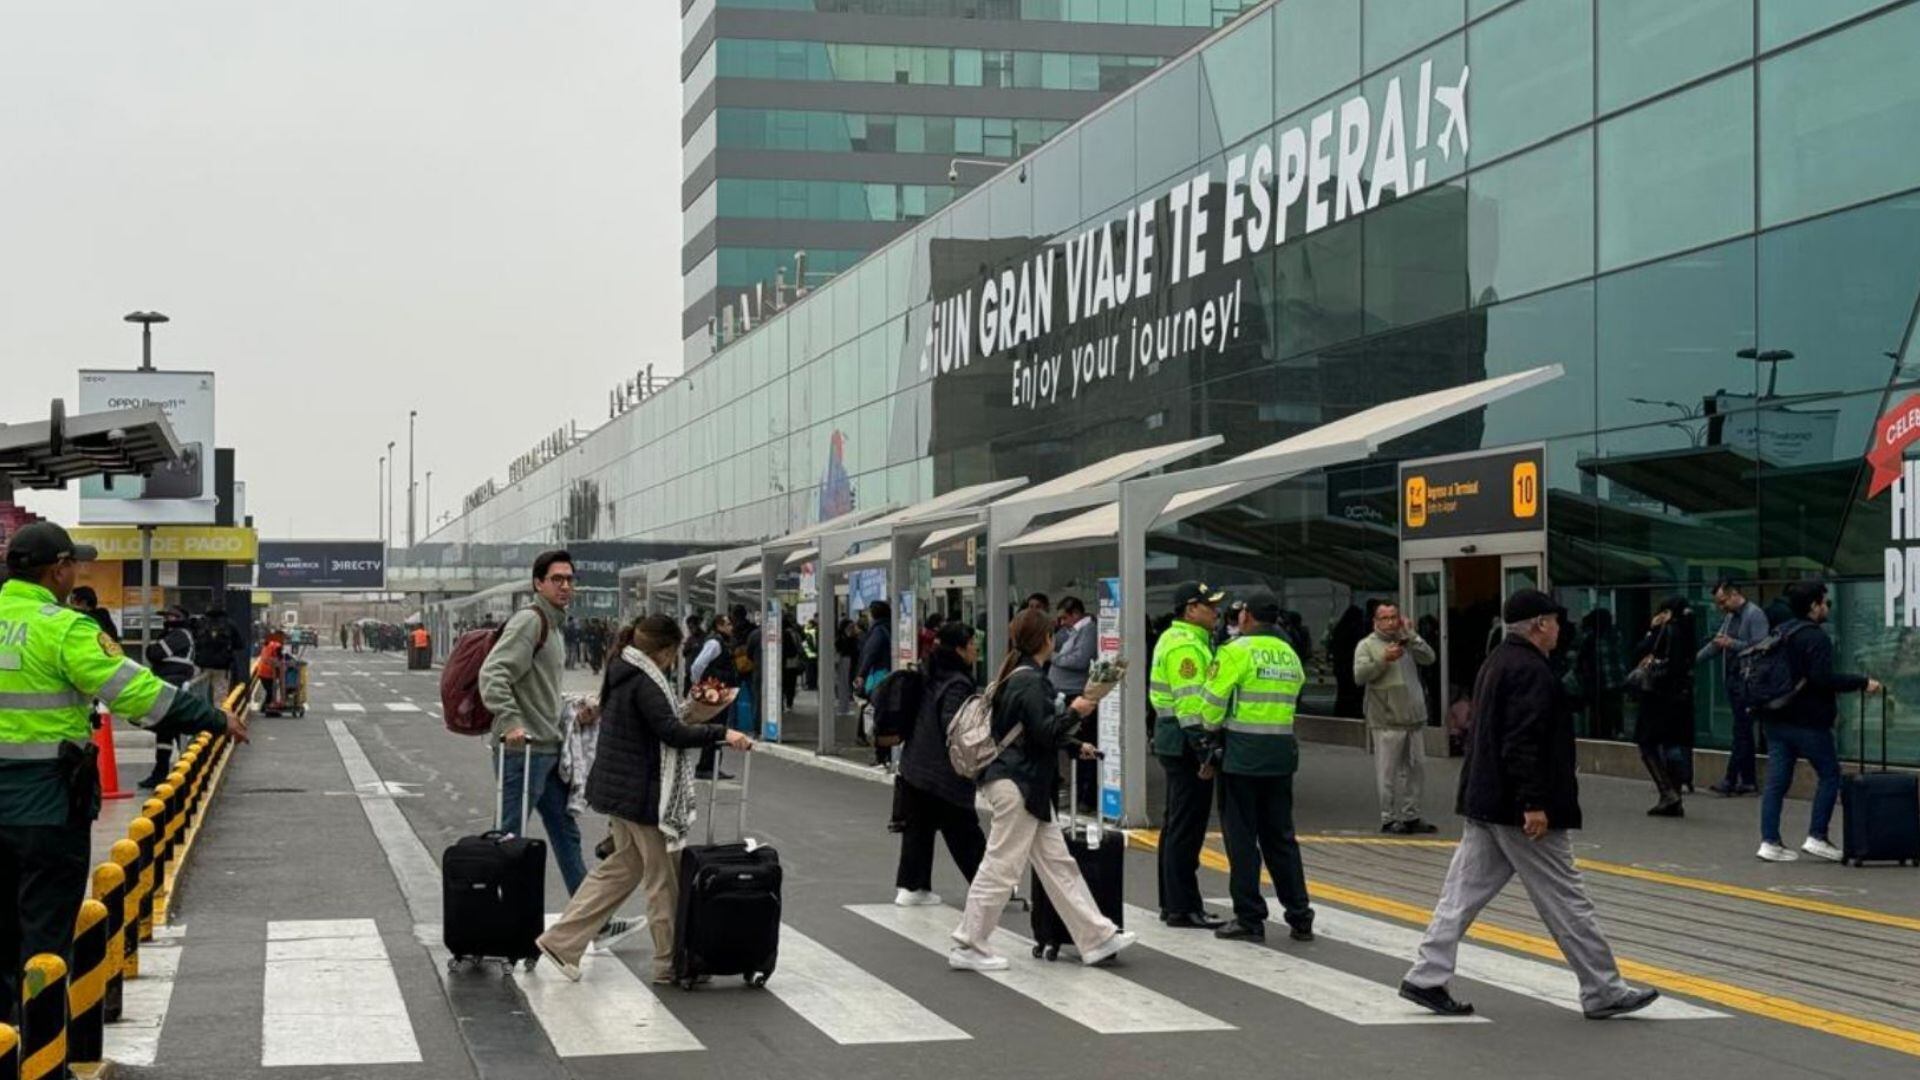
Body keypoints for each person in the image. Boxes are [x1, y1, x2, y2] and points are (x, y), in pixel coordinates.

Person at [1, 521, 242, 1014]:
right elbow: (138, 692)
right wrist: (212, 717)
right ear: (58, 570)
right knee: (44, 939)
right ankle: (42, 1056)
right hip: (46, 808)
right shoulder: (64, 627)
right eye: (73, 564)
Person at [1400, 589, 1659, 1020]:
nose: (1561, 628)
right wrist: (1534, 803)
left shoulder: (1500, 661)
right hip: (1518, 809)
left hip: (1486, 801)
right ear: (1540, 624)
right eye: (1556, 620)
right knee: (1566, 897)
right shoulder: (1530, 670)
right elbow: (1522, 742)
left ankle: (1426, 976)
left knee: (1460, 896)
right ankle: (1603, 989)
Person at [535, 614, 750, 983]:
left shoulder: (622, 668)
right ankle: (670, 964)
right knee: (662, 881)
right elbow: (670, 732)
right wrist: (721, 731)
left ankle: (561, 941)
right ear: (665, 650)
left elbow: (655, 724)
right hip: (645, 795)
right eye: (675, 653)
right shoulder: (646, 680)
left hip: (623, 791)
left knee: (621, 870)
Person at [948, 609, 1135, 971]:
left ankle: (1096, 937)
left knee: (1058, 864)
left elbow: (1033, 731)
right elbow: (1044, 730)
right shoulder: (1029, 681)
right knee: (1001, 866)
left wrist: (1072, 744)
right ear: (1046, 639)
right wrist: (1080, 708)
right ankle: (969, 944)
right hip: (1019, 784)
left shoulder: (1019, 676)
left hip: (1026, 784)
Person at [1199, 590, 1315, 942]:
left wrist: (1209, 731)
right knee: (1281, 837)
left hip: (1242, 758)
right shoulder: (1289, 655)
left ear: (1246, 616)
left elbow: (1211, 706)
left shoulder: (1235, 652)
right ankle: (1299, 915)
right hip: (1281, 756)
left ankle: (1250, 917)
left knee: (1242, 839)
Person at [478, 550, 587, 896]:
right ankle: (491, 916)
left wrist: (574, 709)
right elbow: (493, 673)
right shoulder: (531, 621)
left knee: (565, 832)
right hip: (522, 751)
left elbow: (539, 687)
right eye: (557, 579)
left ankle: (592, 920)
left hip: (548, 748)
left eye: (569, 579)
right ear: (538, 583)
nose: (565, 586)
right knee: (509, 837)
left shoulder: (554, 626)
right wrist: (511, 723)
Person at [1756, 581, 1880, 863]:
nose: (1828, 608)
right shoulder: (1815, 638)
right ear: (1814, 606)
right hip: (1808, 722)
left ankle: (1769, 841)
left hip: (1776, 718)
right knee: (1829, 775)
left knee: (1776, 783)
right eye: (1826, 602)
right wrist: (1862, 682)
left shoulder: (1782, 631)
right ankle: (1817, 836)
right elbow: (1821, 679)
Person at [1148, 581, 1228, 930]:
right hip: (1185, 744)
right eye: (1208, 606)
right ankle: (1184, 906)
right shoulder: (1187, 647)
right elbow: (1191, 705)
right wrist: (1206, 753)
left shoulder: (1180, 639)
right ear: (1190, 609)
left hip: (1172, 741)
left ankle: (1173, 902)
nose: (1215, 612)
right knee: (1186, 828)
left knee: (1175, 825)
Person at [893, 621, 988, 906]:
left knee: (919, 828)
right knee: (963, 828)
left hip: (915, 763)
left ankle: (912, 888)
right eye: (972, 644)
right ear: (959, 648)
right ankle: (990, 887)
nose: (976, 649)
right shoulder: (957, 682)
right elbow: (953, 725)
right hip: (941, 770)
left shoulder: (929, 671)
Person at [1354, 601, 1439, 834]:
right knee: (1388, 771)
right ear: (1375, 621)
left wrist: (1412, 636)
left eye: (1394, 617)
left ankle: (1412, 815)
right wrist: (1384, 659)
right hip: (1386, 719)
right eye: (1385, 618)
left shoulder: (1407, 642)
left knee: (1417, 768)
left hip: (1413, 717)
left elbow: (1429, 658)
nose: (1391, 622)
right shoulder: (1367, 645)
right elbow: (1360, 676)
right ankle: (1388, 817)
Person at [1696, 579, 1770, 796]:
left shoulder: (1754, 615)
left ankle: (1731, 779)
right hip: (1733, 679)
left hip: (1748, 682)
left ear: (1735, 594)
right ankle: (1746, 780)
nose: (1721, 607)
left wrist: (1732, 644)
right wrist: (1693, 659)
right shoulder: (1730, 617)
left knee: (1742, 730)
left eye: (1723, 601)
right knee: (1742, 731)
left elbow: (1761, 646)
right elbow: (1716, 644)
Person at [1630, 598, 1695, 817]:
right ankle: (1675, 797)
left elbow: (1640, 650)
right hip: (1681, 697)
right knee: (1672, 744)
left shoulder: (1664, 630)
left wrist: (1652, 629)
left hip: (1657, 694)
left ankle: (1667, 792)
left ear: (1666, 613)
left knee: (1646, 742)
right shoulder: (1689, 630)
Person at [142, 606, 200, 789]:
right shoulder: (173, 634)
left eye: (172, 616)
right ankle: (163, 771)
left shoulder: (179, 635)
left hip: (173, 686)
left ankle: (172, 771)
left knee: (171, 728)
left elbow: (154, 653)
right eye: (166, 616)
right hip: (167, 685)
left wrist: (154, 649)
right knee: (166, 730)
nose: (167, 619)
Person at [688, 613, 740, 780]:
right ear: (719, 625)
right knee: (715, 727)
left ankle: (712, 765)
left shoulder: (722, 642)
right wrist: (699, 683)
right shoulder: (714, 643)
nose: (731, 627)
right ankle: (706, 766)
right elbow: (698, 665)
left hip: (720, 690)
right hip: (714, 690)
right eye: (728, 624)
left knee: (718, 727)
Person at [856, 600, 893, 764]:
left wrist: (861, 675)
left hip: (880, 677)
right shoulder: (891, 627)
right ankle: (887, 752)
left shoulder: (877, 631)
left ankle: (881, 754)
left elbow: (870, 654)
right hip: (892, 675)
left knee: (877, 715)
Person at [1329, 604, 1369, 719]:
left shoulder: (1340, 630)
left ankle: (1341, 714)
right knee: (1354, 697)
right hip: (1352, 669)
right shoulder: (1357, 631)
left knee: (1343, 695)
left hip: (1342, 669)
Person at [196, 607, 238, 707]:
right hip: (222, 666)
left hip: (203, 665)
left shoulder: (202, 624)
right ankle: (218, 717)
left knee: (201, 692)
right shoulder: (229, 624)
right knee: (220, 695)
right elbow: (239, 644)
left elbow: (196, 642)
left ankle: (202, 717)